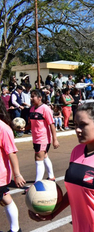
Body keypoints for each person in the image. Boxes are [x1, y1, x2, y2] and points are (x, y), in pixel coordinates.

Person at [29, 103, 94, 232]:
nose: (77, 130)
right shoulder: (76, 152)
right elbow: (74, 191)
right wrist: (51, 213)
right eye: (76, 124)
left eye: (83, 125)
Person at [0, 99, 26, 232]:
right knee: (4, 200)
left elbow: (12, 153)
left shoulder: (3, 129)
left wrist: (17, 174)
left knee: (6, 199)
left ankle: (15, 229)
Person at [29, 89, 59, 182]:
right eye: (31, 96)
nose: (31, 98)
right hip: (35, 138)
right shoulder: (32, 109)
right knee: (44, 156)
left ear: (40, 98)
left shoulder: (45, 108)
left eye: (33, 96)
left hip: (43, 138)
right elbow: (31, 124)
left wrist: (55, 139)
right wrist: (22, 128)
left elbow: (51, 124)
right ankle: (51, 176)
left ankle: (37, 183)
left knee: (38, 158)